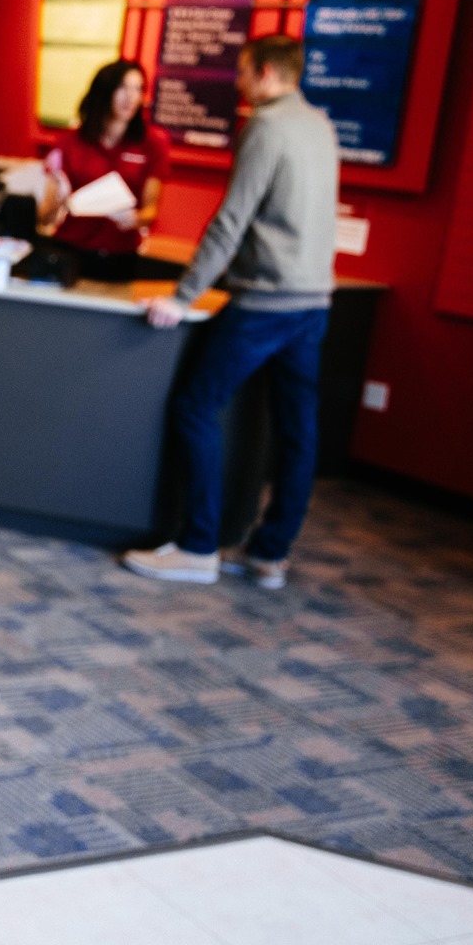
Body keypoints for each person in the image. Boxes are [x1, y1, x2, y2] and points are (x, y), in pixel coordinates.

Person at [123, 34, 338, 590]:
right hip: (313, 302)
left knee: (196, 407)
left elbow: (231, 220)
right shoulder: (319, 125)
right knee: (297, 433)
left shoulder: (265, 128)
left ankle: (197, 547)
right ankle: (270, 554)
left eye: (242, 72)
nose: (238, 84)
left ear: (265, 72)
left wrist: (182, 296)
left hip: (264, 303)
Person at [38, 59, 171, 280]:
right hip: (70, 252)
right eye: (123, 88)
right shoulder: (69, 142)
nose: (131, 97)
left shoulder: (152, 144)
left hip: (120, 257)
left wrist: (135, 219)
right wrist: (58, 201)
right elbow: (44, 218)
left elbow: (151, 211)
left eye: (138, 89)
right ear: (104, 91)